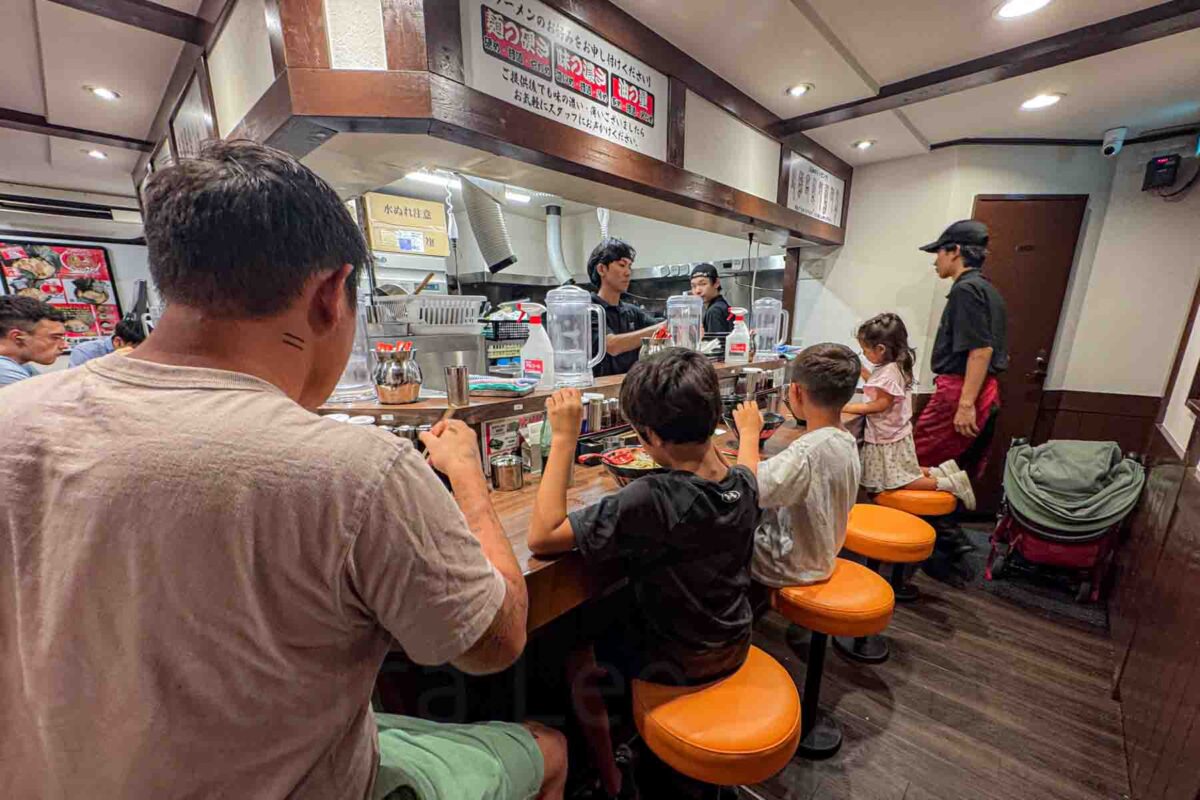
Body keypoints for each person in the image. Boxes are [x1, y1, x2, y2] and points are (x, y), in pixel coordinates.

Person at [0, 140, 566, 800]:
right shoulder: (356, 472)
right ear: (330, 294)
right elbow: (494, 642)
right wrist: (466, 474)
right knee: (546, 746)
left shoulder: (13, 416)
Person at [528, 349, 759, 799]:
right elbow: (748, 462)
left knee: (575, 650)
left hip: (680, 661)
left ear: (650, 436)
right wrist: (747, 432)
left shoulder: (650, 497)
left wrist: (564, 437)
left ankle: (611, 780)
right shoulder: (745, 483)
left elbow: (542, 536)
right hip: (734, 640)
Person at [734, 343, 860, 587]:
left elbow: (747, 488)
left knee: (715, 533)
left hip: (788, 565)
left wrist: (749, 432)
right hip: (823, 551)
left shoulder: (808, 453)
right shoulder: (845, 439)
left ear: (796, 392)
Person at [843, 313, 976, 509]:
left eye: (865, 351)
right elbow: (877, 384)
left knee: (898, 480)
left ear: (880, 349)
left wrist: (847, 407)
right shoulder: (893, 366)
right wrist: (861, 368)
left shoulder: (889, 372)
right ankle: (937, 471)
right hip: (896, 433)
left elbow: (880, 404)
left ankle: (949, 484)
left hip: (887, 437)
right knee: (903, 469)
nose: (864, 354)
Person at [913, 220, 1008, 477]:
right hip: (979, 388)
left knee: (919, 462)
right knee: (952, 466)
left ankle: (927, 517)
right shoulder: (988, 290)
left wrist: (965, 404)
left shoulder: (966, 290)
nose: (935, 262)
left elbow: (981, 350)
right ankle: (944, 516)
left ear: (954, 251)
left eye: (938, 253)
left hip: (961, 390)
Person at [588, 237, 664, 376]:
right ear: (601, 269)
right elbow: (611, 346)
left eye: (629, 266)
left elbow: (660, 332)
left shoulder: (631, 312)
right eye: (622, 265)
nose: (628, 272)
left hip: (630, 389)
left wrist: (682, 326)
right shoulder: (589, 309)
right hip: (596, 393)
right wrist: (664, 327)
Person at [0, 295, 68, 386]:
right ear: (17, 337)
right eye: (55, 337)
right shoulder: (4, 371)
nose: (64, 345)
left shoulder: (23, 366)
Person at [68, 316, 147, 366]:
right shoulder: (85, 352)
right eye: (135, 349)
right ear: (117, 341)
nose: (139, 354)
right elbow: (75, 384)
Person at [689, 262, 732, 334]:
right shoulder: (721, 305)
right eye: (693, 286)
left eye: (702, 284)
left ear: (716, 283)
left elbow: (716, 343)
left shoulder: (715, 311)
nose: (697, 291)